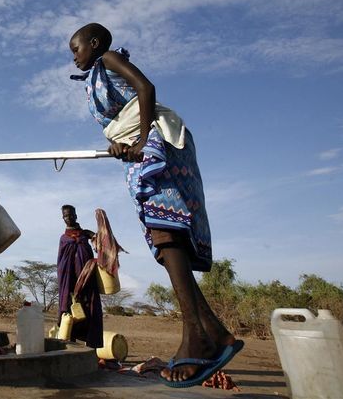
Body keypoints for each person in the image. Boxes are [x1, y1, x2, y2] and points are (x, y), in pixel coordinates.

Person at [69, 23, 242, 387]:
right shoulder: (95, 75)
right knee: (160, 232)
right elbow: (123, 118)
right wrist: (123, 143)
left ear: (95, 44)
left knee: (166, 229)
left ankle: (196, 335)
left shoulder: (110, 59)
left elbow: (145, 89)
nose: (74, 56)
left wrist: (143, 139)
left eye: (77, 48)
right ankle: (215, 332)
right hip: (138, 140)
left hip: (157, 138)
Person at [56, 205, 103, 348]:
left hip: (87, 280)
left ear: (76, 215)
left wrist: (100, 229)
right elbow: (61, 263)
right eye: (65, 216)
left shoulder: (85, 234)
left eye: (70, 215)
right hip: (70, 282)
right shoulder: (64, 239)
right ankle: (71, 346)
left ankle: (92, 349)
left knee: (91, 309)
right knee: (70, 312)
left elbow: (101, 241)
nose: (68, 218)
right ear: (62, 218)